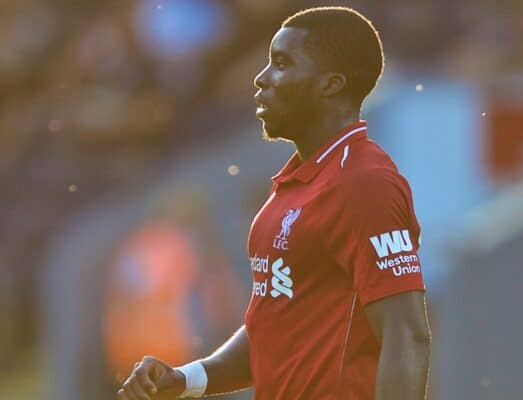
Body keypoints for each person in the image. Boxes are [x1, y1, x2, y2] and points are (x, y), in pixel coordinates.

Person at [117, 6, 431, 400]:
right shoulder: (295, 185)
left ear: (329, 84)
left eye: (281, 65)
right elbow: (275, 328)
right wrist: (186, 380)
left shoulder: (364, 183)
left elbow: (407, 335)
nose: (261, 79)